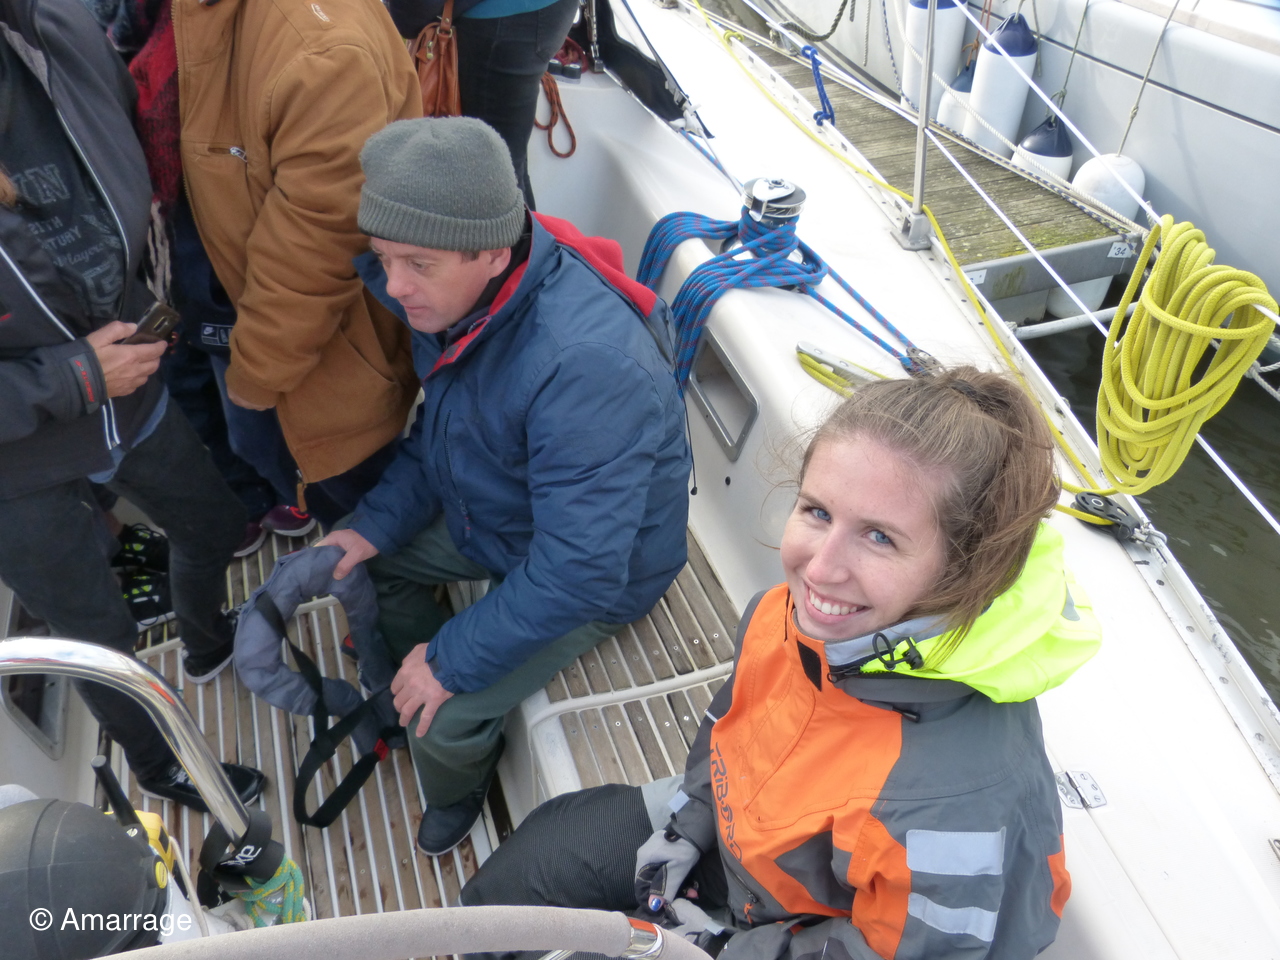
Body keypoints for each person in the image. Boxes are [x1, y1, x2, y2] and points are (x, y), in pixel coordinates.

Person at [459, 367, 1103, 959]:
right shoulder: (790, 616)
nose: (820, 568)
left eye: (880, 537)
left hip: (795, 930)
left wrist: (721, 947)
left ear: (962, 570)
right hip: (737, 848)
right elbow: (728, 728)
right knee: (519, 882)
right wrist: (688, 826)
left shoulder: (955, 802)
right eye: (818, 512)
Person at [319, 117, 691, 855]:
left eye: (417, 264)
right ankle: (408, 669)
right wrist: (369, 527)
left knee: (443, 720)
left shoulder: (585, 367)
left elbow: (582, 568)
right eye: (384, 258)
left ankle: (457, 790)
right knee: (373, 563)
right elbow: (444, 436)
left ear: (493, 254)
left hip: (601, 573)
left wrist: (450, 663)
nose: (394, 285)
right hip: (507, 513)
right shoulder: (458, 299)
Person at [0, 0, 264, 810]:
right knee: (98, 638)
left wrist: (147, 305)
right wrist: (78, 379)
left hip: (133, 389)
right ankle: (163, 767)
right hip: (19, 466)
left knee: (215, 524)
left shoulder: (52, 27)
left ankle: (208, 645)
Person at [168, 0, 423, 527]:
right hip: (210, 288)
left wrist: (258, 373)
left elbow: (322, 235)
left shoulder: (320, 52)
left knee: (347, 498)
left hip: (299, 350)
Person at [388, 0, 579, 207]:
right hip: (535, 14)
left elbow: (411, 15)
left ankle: (514, 226)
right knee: (508, 164)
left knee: (492, 176)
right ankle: (525, 225)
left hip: (502, 24)